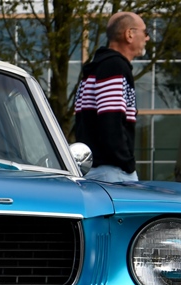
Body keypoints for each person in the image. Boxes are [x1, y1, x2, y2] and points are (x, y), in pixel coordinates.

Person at [74, 12, 149, 182]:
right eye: (145, 32)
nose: (147, 38)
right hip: (113, 172)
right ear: (129, 34)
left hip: (97, 169)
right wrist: (127, 164)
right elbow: (111, 121)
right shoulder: (114, 66)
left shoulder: (95, 69)